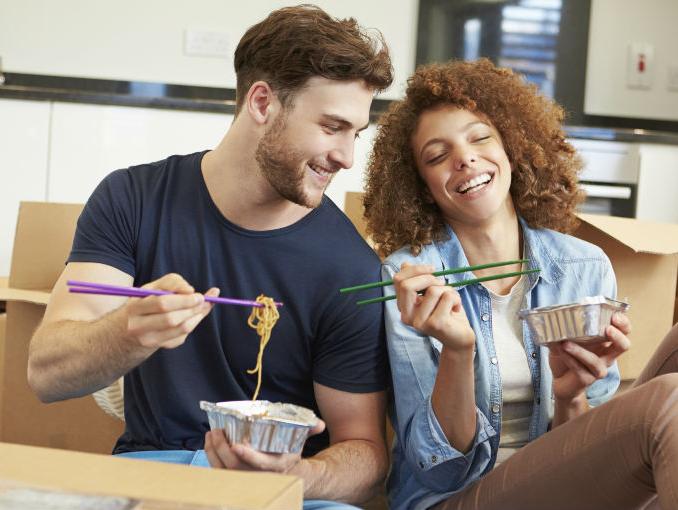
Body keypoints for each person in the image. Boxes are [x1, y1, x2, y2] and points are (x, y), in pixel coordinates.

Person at [27, 5, 393, 509]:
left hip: (287, 492)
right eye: (332, 126)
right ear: (262, 102)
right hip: (154, 471)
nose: (348, 157)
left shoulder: (350, 268)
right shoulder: (132, 198)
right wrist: (128, 330)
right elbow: (46, 374)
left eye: (357, 133)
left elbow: (369, 455)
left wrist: (296, 473)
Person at [363, 58, 678, 510]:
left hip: (560, 487)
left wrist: (570, 396)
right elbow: (439, 466)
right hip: (458, 497)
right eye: (438, 155)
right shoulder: (412, 279)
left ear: (512, 145)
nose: (464, 158)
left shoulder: (582, 265)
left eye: (479, 137)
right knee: (666, 403)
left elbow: (582, 460)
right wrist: (457, 351)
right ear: (422, 186)